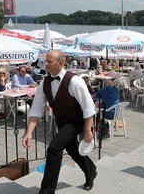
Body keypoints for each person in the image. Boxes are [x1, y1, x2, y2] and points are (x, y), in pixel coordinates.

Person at [22, 50, 97, 193]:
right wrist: (29, 133)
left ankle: (47, 191)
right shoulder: (44, 83)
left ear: (61, 63)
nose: (45, 64)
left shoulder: (75, 81)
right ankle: (91, 170)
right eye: (45, 61)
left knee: (54, 148)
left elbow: (88, 107)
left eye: (49, 61)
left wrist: (88, 130)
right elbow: (36, 110)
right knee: (73, 150)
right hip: (61, 121)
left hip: (77, 121)